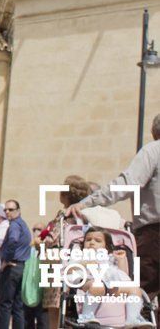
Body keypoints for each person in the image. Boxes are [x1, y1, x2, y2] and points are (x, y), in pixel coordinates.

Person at [68, 114, 160, 305]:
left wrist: (87, 203)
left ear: (154, 132)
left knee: (140, 297)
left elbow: (127, 184)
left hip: (154, 235)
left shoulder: (153, 150)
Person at [35, 175, 90, 328]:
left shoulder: (62, 216)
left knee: (55, 307)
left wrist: (39, 242)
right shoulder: (85, 216)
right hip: (78, 263)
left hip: (57, 264)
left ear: (66, 195)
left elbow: (48, 237)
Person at [74, 227, 152, 327]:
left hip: (111, 285)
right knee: (97, 286)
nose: (92, 242)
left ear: (106, 247)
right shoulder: (80, 255)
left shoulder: (109, 258)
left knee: (135, 289)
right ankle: (86, 316)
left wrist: (121, 260)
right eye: (88, 240)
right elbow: (69, 269)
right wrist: (84, 263)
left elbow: (122, 275)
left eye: (97, 241)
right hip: (89, 281)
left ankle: (133, 319)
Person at [0, 199, 32, 329]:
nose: (7, 212)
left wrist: (6, 259)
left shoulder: (15, 225)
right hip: (21, 267)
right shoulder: (23, 224)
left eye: (10, 209)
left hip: (11, 267)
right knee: (18, 305)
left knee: (5, 305)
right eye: (5, 209)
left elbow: (13, 240)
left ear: (18, 211)